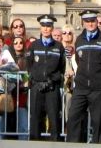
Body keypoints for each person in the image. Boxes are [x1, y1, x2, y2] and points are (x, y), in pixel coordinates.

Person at [67, 9, 101, 143]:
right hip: (81, 86)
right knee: (73, 118)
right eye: (87, 21)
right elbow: (78, 60)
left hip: (99, 88)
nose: (90, 24)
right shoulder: (79, 40)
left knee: (99, 122)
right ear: (83, 22)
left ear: (97, 21)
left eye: (92, 21)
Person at [27, 14, 66, 142]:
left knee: (54, 119)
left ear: (52, 28)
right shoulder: (34, 46)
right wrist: (34, 80)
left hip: (52, 87)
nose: (46, 28)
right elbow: (29, 66)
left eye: (48, 26)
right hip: (37, 87)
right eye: (43, 26)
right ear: (40, 28)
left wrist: (53, 79)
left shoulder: (58, 46)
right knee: (35, 119)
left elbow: (62, 67)